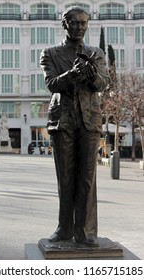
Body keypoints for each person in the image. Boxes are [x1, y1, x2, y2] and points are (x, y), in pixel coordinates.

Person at [40, 6, 109, 246]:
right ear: (65, 24)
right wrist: (72, 73)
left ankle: (86, 232)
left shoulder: (97, 53)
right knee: (66, 178)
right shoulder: (50, 53)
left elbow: (102, 85)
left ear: (87, 25)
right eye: (74, 23)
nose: (79, 27)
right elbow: (52, 85)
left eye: (83, 23)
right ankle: (64, 229)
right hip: (63, 120)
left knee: (87, 178)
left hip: (89, 121)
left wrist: (90, 75)